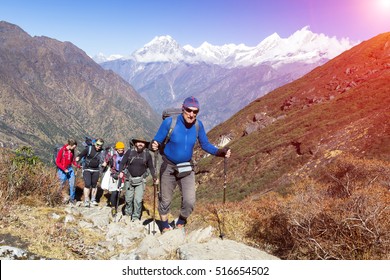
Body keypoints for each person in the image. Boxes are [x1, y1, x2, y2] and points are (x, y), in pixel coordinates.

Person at [151, 96, 231, 232]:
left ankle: (181, 221)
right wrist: (154, 144)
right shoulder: (169, 123)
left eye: (195, 112)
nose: (192, 114)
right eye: (189, 110)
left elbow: (205, 144)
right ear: (183, 109)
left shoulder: (198, 125)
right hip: (168, 166)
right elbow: (157, 140)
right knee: (165, 200)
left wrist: (220, 152)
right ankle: (164, 226)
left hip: (186, 167)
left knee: (190, 201)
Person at [119, 137, 157, 222]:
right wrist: (120, 172)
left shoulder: (147, 154)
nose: (140, 144)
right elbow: (122, 163)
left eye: (142, 143)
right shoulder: (129, 152)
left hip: (140, 180)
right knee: (128, 198)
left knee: (138, 200)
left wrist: (154, 177)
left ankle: (136, 217)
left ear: (145, 145)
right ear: (135, 143)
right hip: (129, 179)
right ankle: (128, 214)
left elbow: (151, 167)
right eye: (139, 142)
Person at [76, 138, 105, 207]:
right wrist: (78, 157)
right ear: (95, 144)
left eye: (100, 145)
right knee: (87, 184)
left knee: (94, 185)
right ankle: (86, 200)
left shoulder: (102, 152)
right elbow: (81, 154)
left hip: (96, 170)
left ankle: (93, 199)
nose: (98, 147)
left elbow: (105, 159)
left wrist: (105, 163)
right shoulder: (89, 149)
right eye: (97, 145)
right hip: (87, 169)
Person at [103, 141, 126, 216]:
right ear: (116, 149)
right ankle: (113, 207)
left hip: (122, 175)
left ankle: (115, 204)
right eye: (119, 150)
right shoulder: (112, 155)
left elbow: (128, 165)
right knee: (114, 192)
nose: (120, 151)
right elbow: (106, 161)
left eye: (122, 150)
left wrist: (124, 172)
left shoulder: (126, 155)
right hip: (113, 174)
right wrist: (104, 165)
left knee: (118, 191)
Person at [55, 139, 79, 205]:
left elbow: (72, 161)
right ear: (70, 145)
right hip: (62, 170)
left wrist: (77, 165)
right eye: (74, 146)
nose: (75, 148)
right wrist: (64, 169)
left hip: (70, 169)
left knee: (72, 184)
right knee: (61, 184)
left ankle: (72, 199)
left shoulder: (72, 151)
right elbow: (57, 162)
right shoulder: (62, 150)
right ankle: (58, 198)